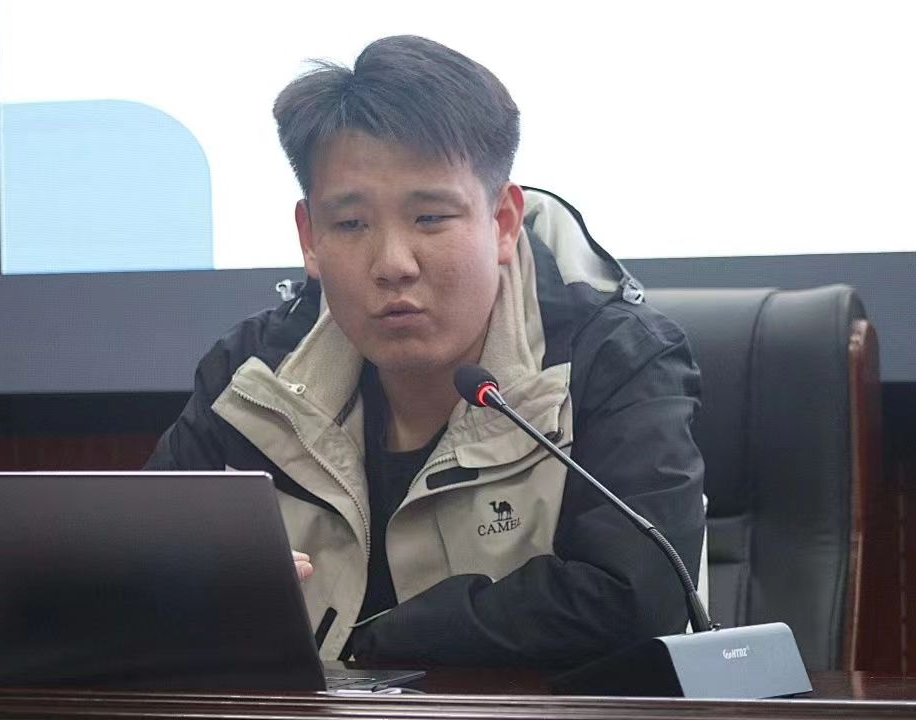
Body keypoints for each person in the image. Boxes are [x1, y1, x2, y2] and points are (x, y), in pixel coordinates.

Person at [145, 35, 705, 669]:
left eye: (431, 218)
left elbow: (638, 596)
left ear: (502, 222)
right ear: (309, 237)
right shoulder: (252, 377)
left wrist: (368, 646)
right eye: (350, 224)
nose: (393, 264)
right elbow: (130, 564)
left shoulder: (616, 362)